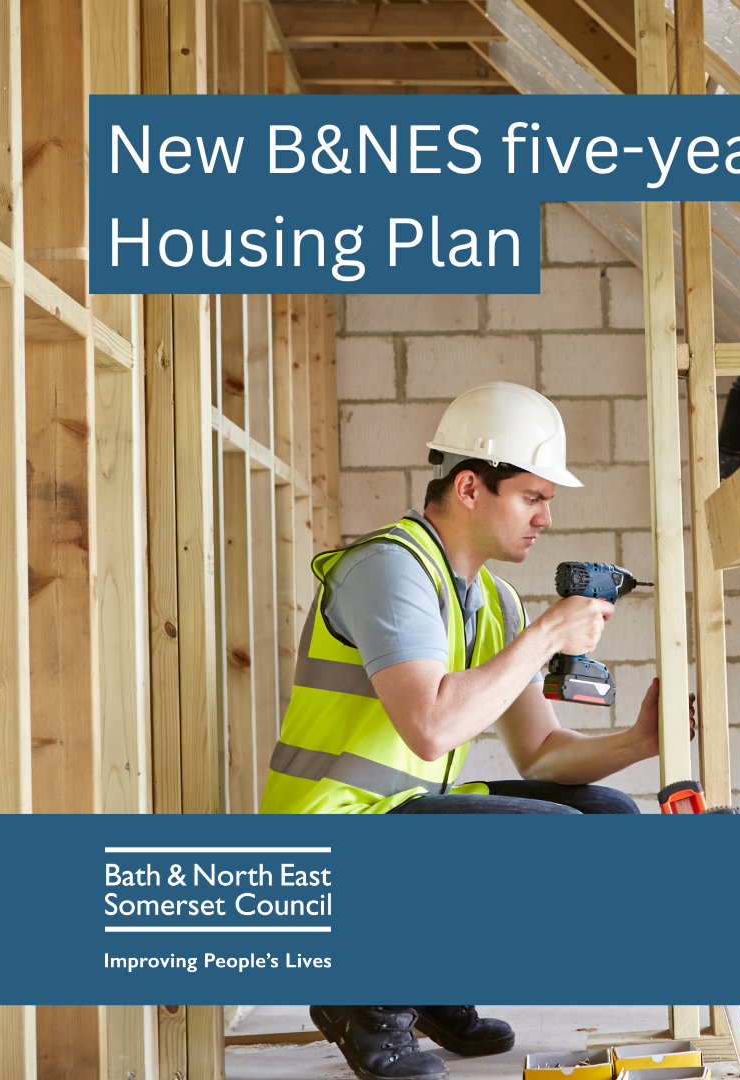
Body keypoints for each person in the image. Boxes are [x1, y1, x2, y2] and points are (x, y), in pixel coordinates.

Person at [264, 382, 691, 1079]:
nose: (546, 517)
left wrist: (637, 744)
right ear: (470, 487)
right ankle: (361, 995)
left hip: (396, 822)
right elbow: (431, 727)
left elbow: (543, 752)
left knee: (609, 819)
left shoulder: (492, 599)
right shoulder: (387, 568)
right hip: (334, 834)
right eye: (533, 497)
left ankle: (428, 980)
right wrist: (552, 632)